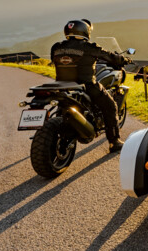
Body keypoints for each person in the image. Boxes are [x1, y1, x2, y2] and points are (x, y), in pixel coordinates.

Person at [51, 19, 130, 153]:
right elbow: (110, 57)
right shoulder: (89, 47)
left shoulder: (57, 47)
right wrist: (123, 59)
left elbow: (55, 60)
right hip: (87, 86)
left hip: (63, 86)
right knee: (111, 107)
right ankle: (114, 142)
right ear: (85, 31)